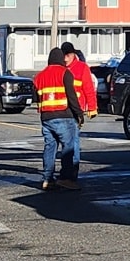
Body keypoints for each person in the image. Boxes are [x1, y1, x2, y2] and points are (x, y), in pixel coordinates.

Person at [34, 49, 84, 190]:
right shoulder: (65, 73)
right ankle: (66, 178)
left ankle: (47, 179)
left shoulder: (39, 76)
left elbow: (36, 98)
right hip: (64, 116)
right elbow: (71, 96)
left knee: (50, 147)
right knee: (68, 148)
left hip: (46, 118)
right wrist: (79, 114)